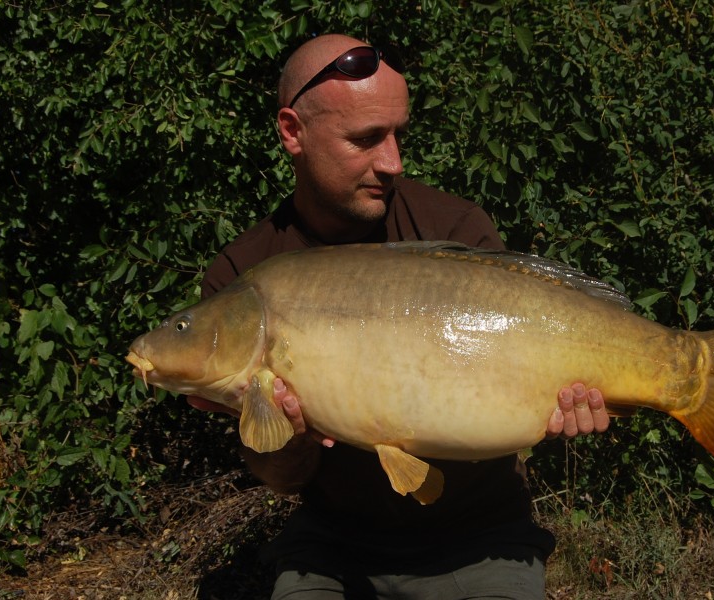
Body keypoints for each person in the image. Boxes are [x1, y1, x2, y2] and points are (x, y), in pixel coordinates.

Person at [188, 34, 609, 599]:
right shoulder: (245, 276)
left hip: (478, 536)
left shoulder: (454, 227)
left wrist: (575, 408)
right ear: (293, 131)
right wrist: (293, 437)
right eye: (365, 139)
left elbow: (522, 395)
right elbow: (279, 479)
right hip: (334, 546)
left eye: (398, 134)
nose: (393, 163)